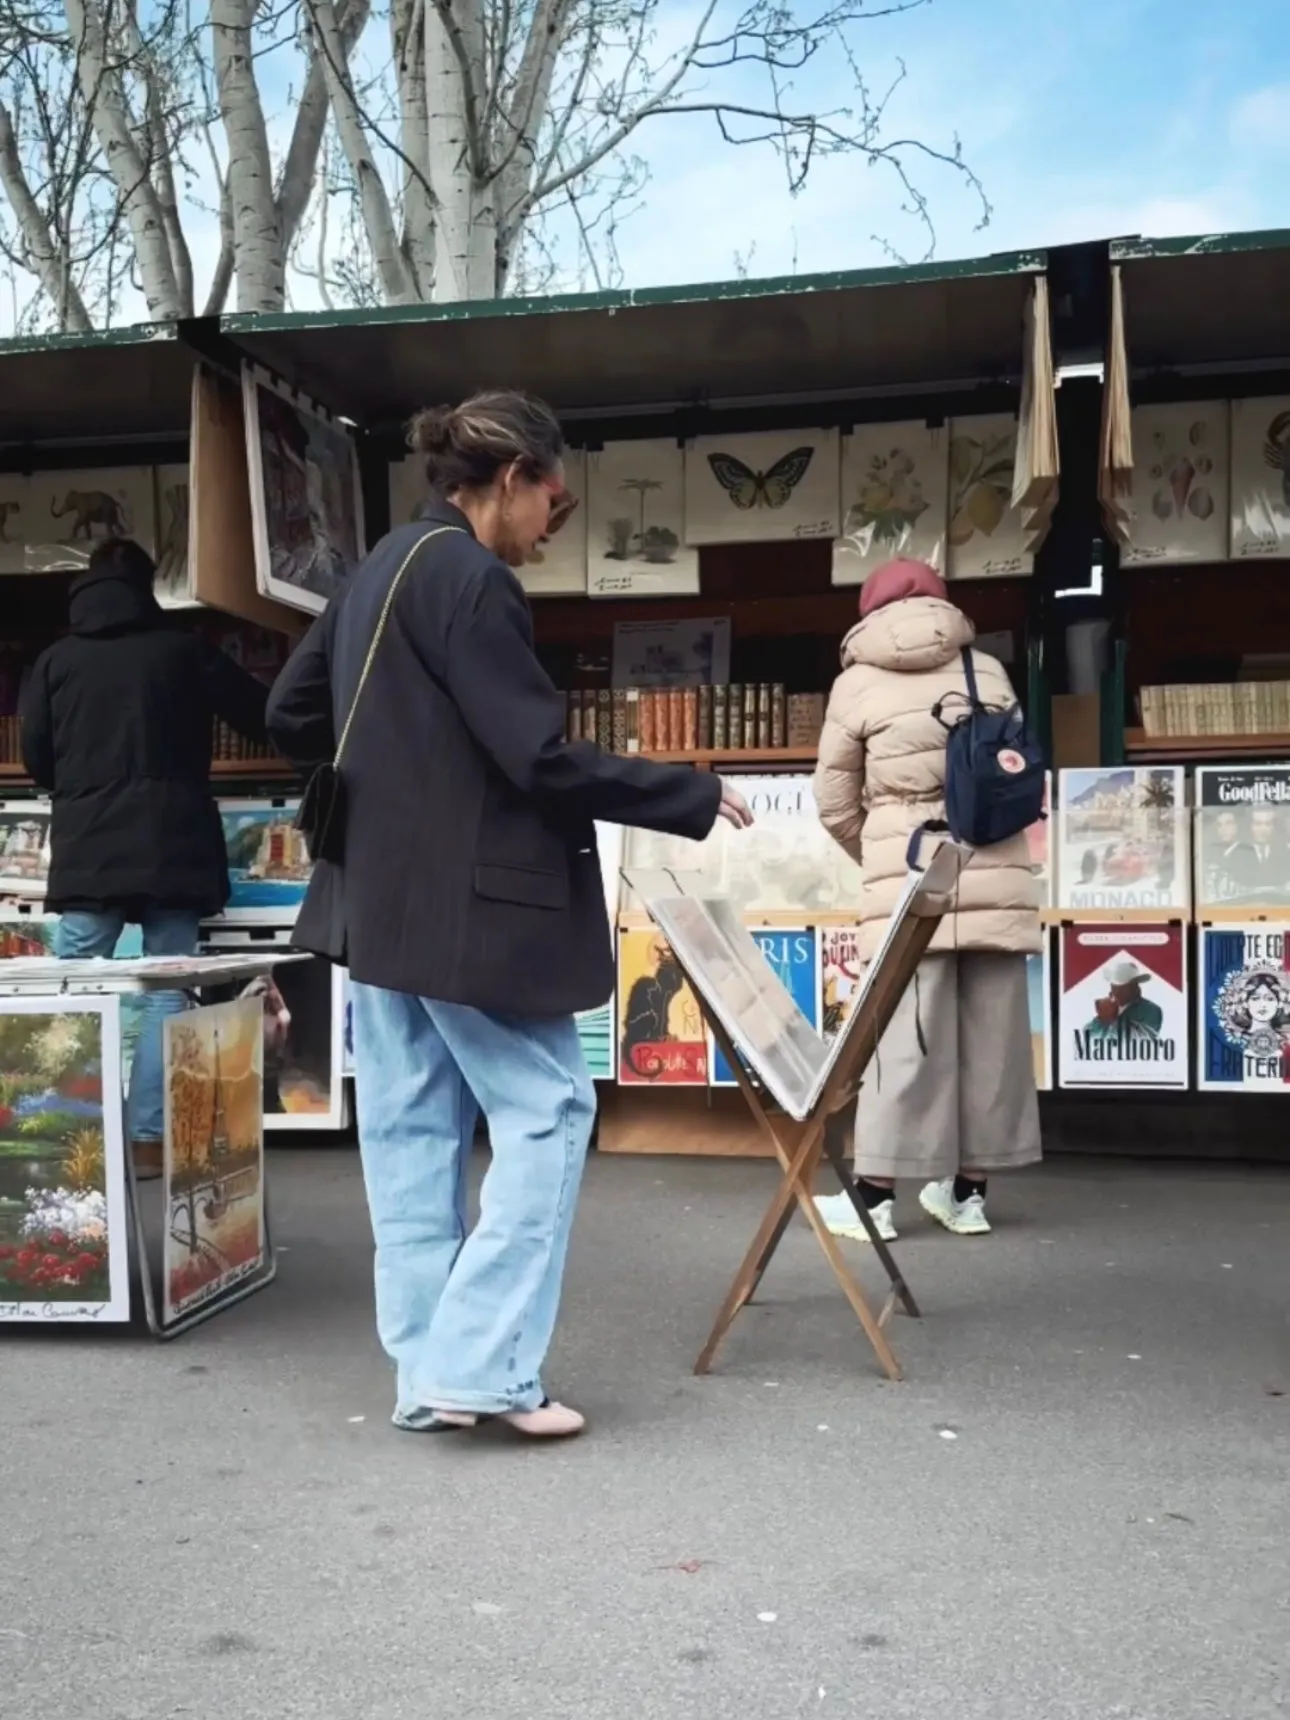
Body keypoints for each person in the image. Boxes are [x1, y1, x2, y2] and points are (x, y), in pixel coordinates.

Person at [266, 389, 752, 1440]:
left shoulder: (378, 571)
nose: (550, 528)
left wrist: (403, 778)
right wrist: (691, 794)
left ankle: (428, 1371)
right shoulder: (475, 583)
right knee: (548, 1111)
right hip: (471, 911)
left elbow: (290, 710)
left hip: (374, 904)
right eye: (553, 502)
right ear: (510, 479)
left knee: (409, 1131)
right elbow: (535, 755)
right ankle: (483, 1369)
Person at [18, 537, 269, 1178]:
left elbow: (37, 757)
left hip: (89, 847)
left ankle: (72, 1142)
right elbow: (261, 715)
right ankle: (150, 1140)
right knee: (166, 991)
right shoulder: (184, 651)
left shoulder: (54, 661)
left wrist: (79, 790)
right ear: (146, 588)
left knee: (76, 985)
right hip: (172, 844)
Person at [811, 557, 1041, 1242]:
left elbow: (832, 804)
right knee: (992, 1041)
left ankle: (875, 1200)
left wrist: (879, 852)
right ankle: (968, 1195)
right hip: (995, 867)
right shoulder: (988, 671)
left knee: (906, 1037)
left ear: (870, 611)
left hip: (911, 878)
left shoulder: (856, 682)